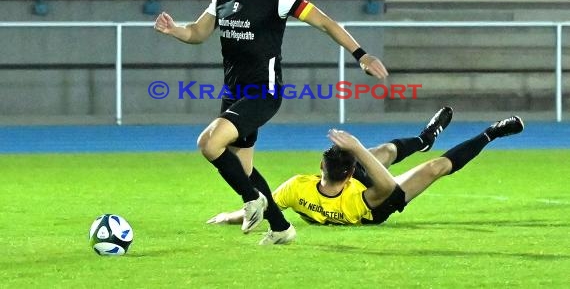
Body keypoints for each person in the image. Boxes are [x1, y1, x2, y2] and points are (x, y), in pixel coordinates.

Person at [153, 0, 388, 244]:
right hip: (233, 93)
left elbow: (326, 23)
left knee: (209, 143)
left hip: (263, 93)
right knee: (243, 168)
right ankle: (280, 227)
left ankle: (253, 201)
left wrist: (361, 54)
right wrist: (175, 31)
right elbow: (198, 32)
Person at [206, 107, 525, 227]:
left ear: (321, 166)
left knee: (384, 150)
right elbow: (387, 187)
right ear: (351, 173)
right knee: (435, 168)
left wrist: (228, 217)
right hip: (377, 205)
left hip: (354, 186)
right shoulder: (362, 199)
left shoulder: (298, 186)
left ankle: (424, 138)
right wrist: (356, 147)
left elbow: (263, 206)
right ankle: (492, 133)